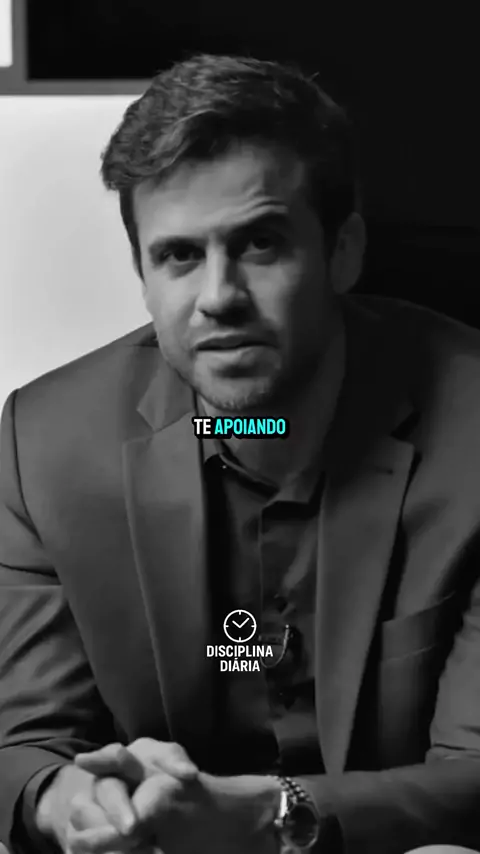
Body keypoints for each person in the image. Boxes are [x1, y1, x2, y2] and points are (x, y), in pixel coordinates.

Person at [1, 52, 480, 854]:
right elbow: (24, 743)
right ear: (143, 273)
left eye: (259, 244)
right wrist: (71, 800)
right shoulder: (45, 444)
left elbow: (474, 778)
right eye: (179, 256)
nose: (218, 297)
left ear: (343, 251)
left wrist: (264, 815)